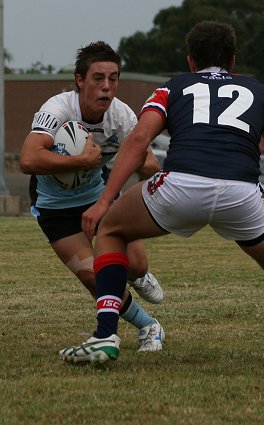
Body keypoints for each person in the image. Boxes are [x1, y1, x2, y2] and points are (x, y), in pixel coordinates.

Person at [59, 20, 264, 366]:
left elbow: (139, 140)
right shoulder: (263, 92)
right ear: (233, 62)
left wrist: (104, 201)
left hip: (183, 185)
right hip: (242, 193)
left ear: (190, 61)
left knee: (111, 229)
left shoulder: (173, 88)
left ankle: (104, 336)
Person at [19, 41, 165, 353]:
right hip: (55, 208)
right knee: (96, 280)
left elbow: (149, 163)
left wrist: (138, 157)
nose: (107, 87)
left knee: (136, 264)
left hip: (98, 198)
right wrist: (81, 161)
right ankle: (149, 326)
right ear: (80, 80)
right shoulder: (57, 109)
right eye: (98, 78)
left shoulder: (122, 117)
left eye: (113, 79)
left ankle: (138, 275)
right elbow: (28, 160)